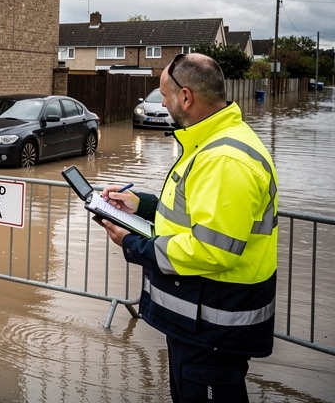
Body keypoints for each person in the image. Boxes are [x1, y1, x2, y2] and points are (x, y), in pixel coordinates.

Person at [98, 53, 279, 403]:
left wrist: (134, 245)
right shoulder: (213, 142)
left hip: (213, 325)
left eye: (165, 95)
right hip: (202, 322)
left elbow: (213, 250)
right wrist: (142, 206)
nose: (162, 102)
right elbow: (192, 213)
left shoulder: (225, 159)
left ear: (186, 97)